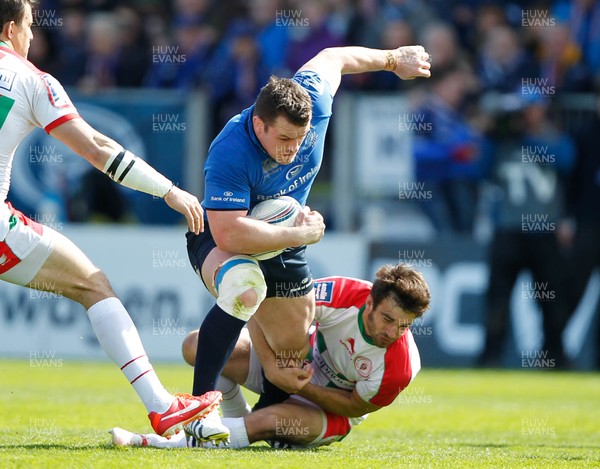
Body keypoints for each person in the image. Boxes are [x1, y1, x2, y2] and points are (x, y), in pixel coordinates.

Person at [0, 0, 220, 436]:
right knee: (93, 285)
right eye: (28, 27)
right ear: (10, 29)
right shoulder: (31, 80)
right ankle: (160, 406)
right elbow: (98, 150)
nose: (32, 37)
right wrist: (169, 191)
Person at [185, 40, 431, 409]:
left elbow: (335, 57)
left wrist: (394, 60)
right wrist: (301, 234)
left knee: (293, 351)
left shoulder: (313, 97)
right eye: (284, 139)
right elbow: (229, 233)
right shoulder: (230, 151)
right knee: (243, 287)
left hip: (282, 237)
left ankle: (255, 425)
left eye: (300, 140)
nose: (293, 150)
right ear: (259, 124)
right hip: (218, 235)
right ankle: (199, 409)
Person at [110, 264, 431, 449]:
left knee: (270, 421)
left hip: (331, 410)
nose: (393, 333)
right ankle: (232, 419)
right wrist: (272, 365)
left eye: (404, 326)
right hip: (291, 363)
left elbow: (353, 406)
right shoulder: (343, 293)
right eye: (388, 320)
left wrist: (300, 387)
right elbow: (263, 305)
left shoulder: (400, 368)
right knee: (196, 345)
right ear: (371, 304)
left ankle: (158, 442)